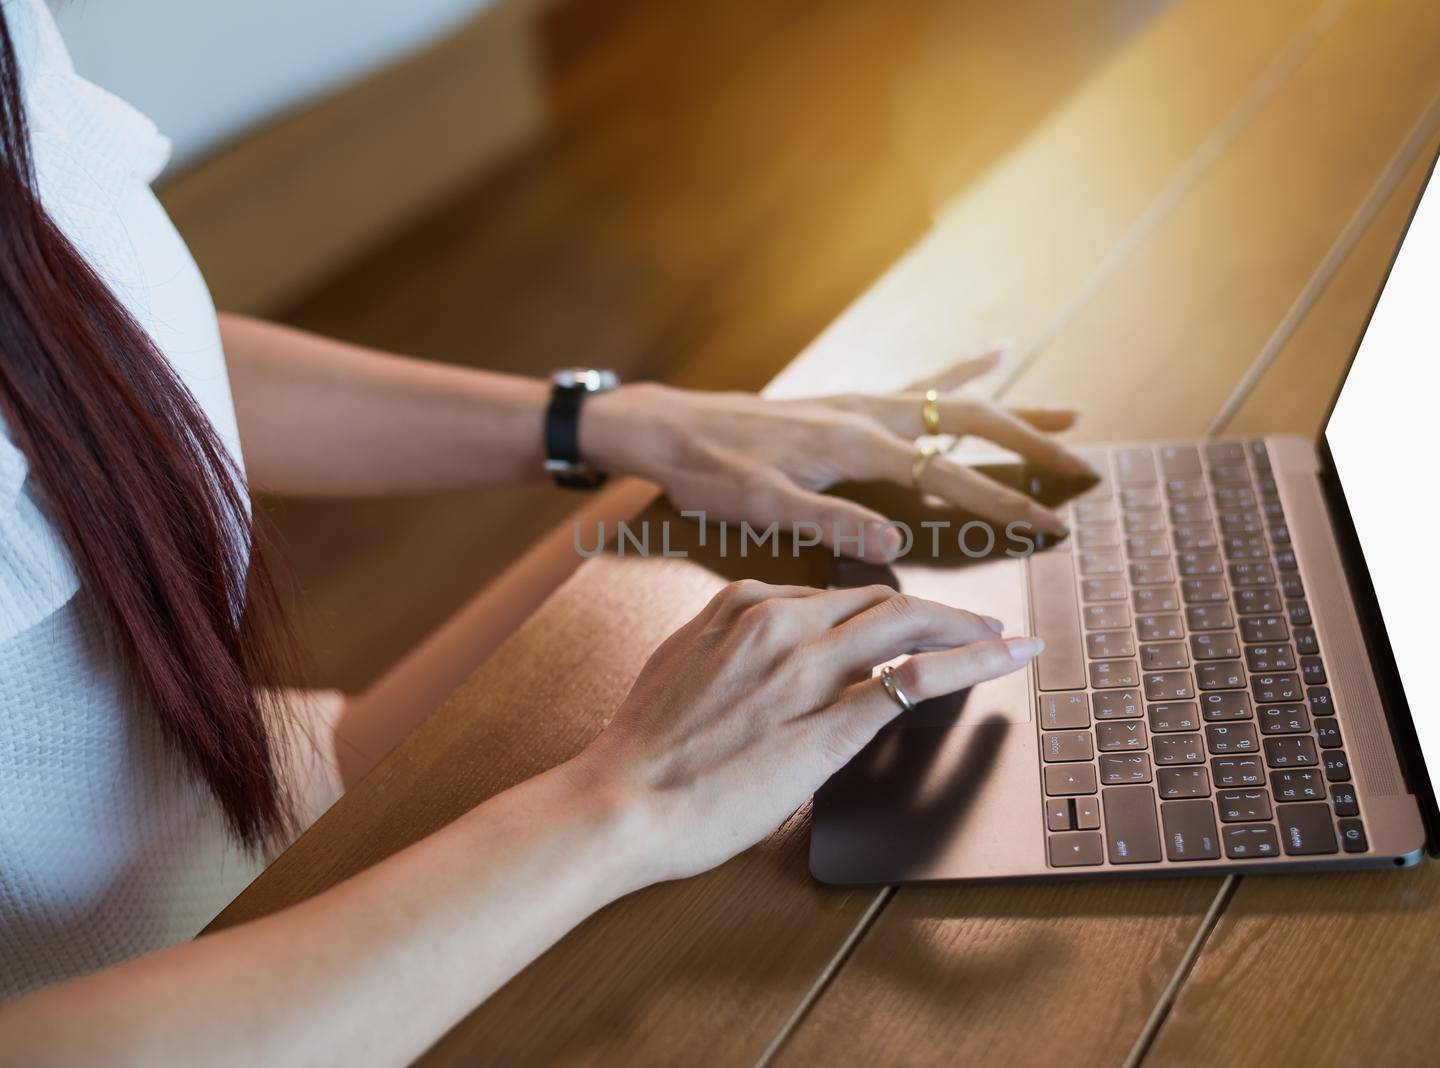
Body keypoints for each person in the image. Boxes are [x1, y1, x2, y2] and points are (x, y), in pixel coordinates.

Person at [0, 0, 1087, 1060]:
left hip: (282, 786)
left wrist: (621, 424)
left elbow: (110, 348)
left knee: (679, 520)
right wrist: (622, 801)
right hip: (232, 991)